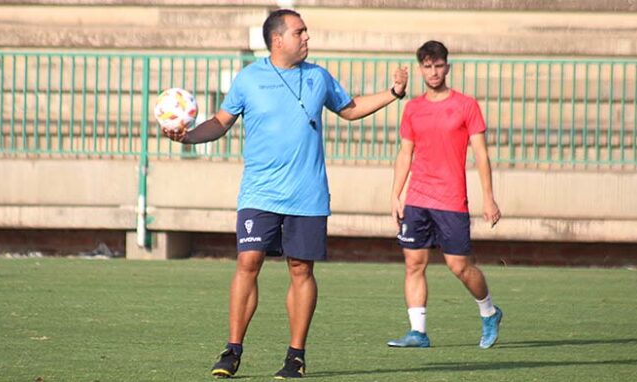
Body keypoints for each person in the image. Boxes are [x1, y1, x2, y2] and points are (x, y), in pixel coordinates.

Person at [162, 8, 408, 379]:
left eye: (306, 32)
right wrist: (188, 136)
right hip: (259, 193)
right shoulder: (249, 79)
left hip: (307, 194)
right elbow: (219, 123)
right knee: (248, 262)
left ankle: (295, 356)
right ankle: (232, 350)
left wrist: (393, 93)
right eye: (300, 32)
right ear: (278, 40)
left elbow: (351, 109)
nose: (307, 38)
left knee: (300, 268)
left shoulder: (318, 76)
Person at [386, 40, 503, 350]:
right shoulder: (413, 108)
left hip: (451, 200)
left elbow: (481, 154)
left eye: (438, 65)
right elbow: (405, 152)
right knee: (414, 264)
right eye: (427, 66)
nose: (434, 71)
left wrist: (488, 198)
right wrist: (396, 193)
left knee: (459, 267)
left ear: (447, 67)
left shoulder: (466, 105)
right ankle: (418, 332)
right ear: (420, 69)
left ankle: (489, 312)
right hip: (417, 199)